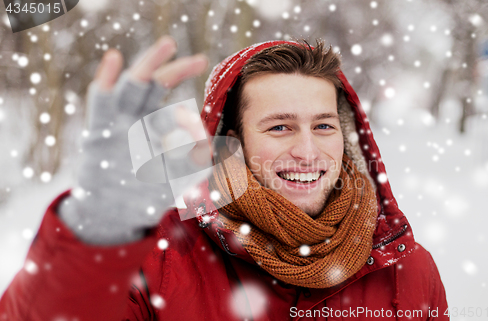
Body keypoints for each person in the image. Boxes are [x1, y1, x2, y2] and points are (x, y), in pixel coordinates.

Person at [0, 36, 449, 320]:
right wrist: (93, 238)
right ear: (230, 141)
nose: (308, 151)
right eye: (279, 127)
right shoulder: (158, 258)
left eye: (324, 125)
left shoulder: (404, 266)